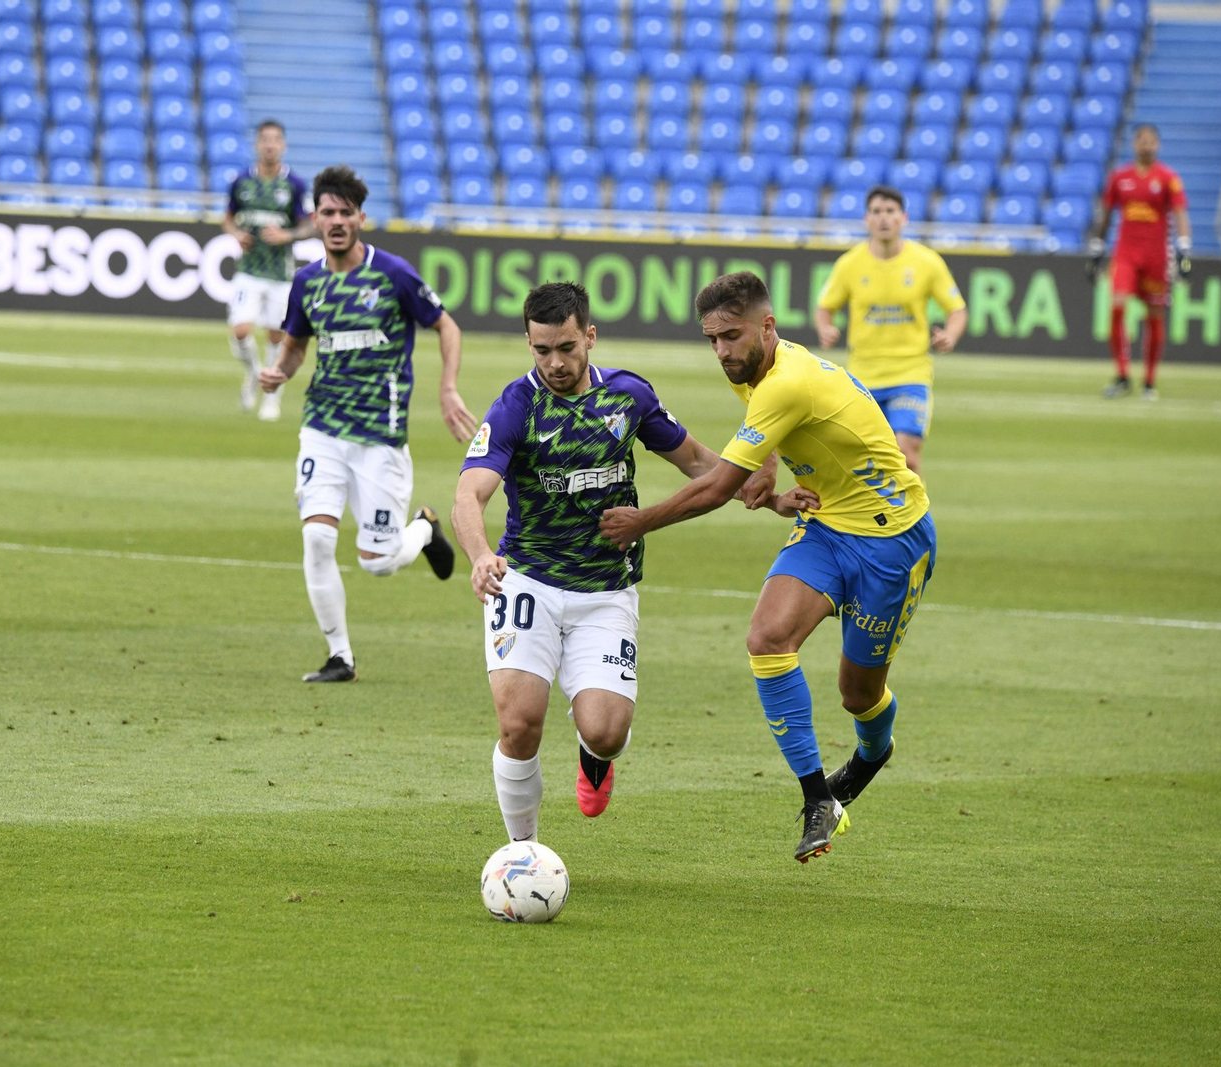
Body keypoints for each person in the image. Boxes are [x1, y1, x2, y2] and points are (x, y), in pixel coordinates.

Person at [601, 272, 935, 865]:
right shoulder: (753, 368)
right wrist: (773, 471)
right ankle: (817, 799)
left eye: (731, 336)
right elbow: (774, 428)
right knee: (767, 638)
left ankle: (871, 756)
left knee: (858, 695)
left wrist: (640, 522)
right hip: (825, 523)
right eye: (712, 339)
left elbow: (716, 489)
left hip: (893, 541)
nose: (722, 351)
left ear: (767, 326)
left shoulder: (787, 381)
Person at [451, 282, 780, 843]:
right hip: (527, 580)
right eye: (542, 350)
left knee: (605, 733)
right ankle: (523, 854)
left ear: (590, 337)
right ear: (529, 345)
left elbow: (697, 461)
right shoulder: (515, 407)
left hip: (606, 588)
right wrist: (481, 555)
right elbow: (469, 494)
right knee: (519, 725)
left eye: (566, 348)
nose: (555, 363)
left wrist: (771, 498)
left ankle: (594, 757)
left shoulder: (628, 396)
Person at [261, 165, 478, 682]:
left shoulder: (393, 274)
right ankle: (340, 657)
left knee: (377, 562)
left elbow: (447, 326)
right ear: (315, 219)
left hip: (380, 436)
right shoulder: (307, 283)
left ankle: (424, 528)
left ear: (361, 217)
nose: (336, 221)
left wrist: (448, 388)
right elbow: (296, 347)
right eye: (327, 212)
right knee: (317, 540)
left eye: (345, 212)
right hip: (322, 428)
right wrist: (281, 372)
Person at [813, 185, 967, 476]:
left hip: (910, 373)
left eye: (890, 211)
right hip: (863, 375)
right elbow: (825, 307)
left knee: (907, 456)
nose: (883, 218)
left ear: (903, 218)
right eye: (876, 211)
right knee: (861, 462)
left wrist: (950, 334)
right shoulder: (849, 264)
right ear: (866, 219)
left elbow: (957, 309)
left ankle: (913, 508)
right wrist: (826, 328)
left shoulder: (926, 262)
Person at [1086, 124, 1191, 401]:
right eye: (1142, 141)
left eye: (1150, 141)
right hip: (1126, 254)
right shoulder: (1120, 177)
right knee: (1117, 306)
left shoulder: (1168, 178)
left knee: (1154, 315)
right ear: (1134, 144)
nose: (1146, 145)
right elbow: (1106, 214)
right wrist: (1097, 247)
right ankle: (1122, 375)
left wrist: (1184, 247)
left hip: (1156, 257)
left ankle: (1149, 381)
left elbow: (1180, 213)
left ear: (1158, 145)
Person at [223, 120, 313, 421]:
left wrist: (287, 235)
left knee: (277, 336)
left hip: (280, 274)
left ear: (283, 145)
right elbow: (227, 219)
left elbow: (309, 226)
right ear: (257, 144)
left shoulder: (294, 185)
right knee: (240, 331)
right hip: (249, 269)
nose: (270, 145)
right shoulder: (241, 182)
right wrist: (236, 234)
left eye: (276, 140)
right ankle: (254, 373)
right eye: (265, 139)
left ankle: (272, 397)